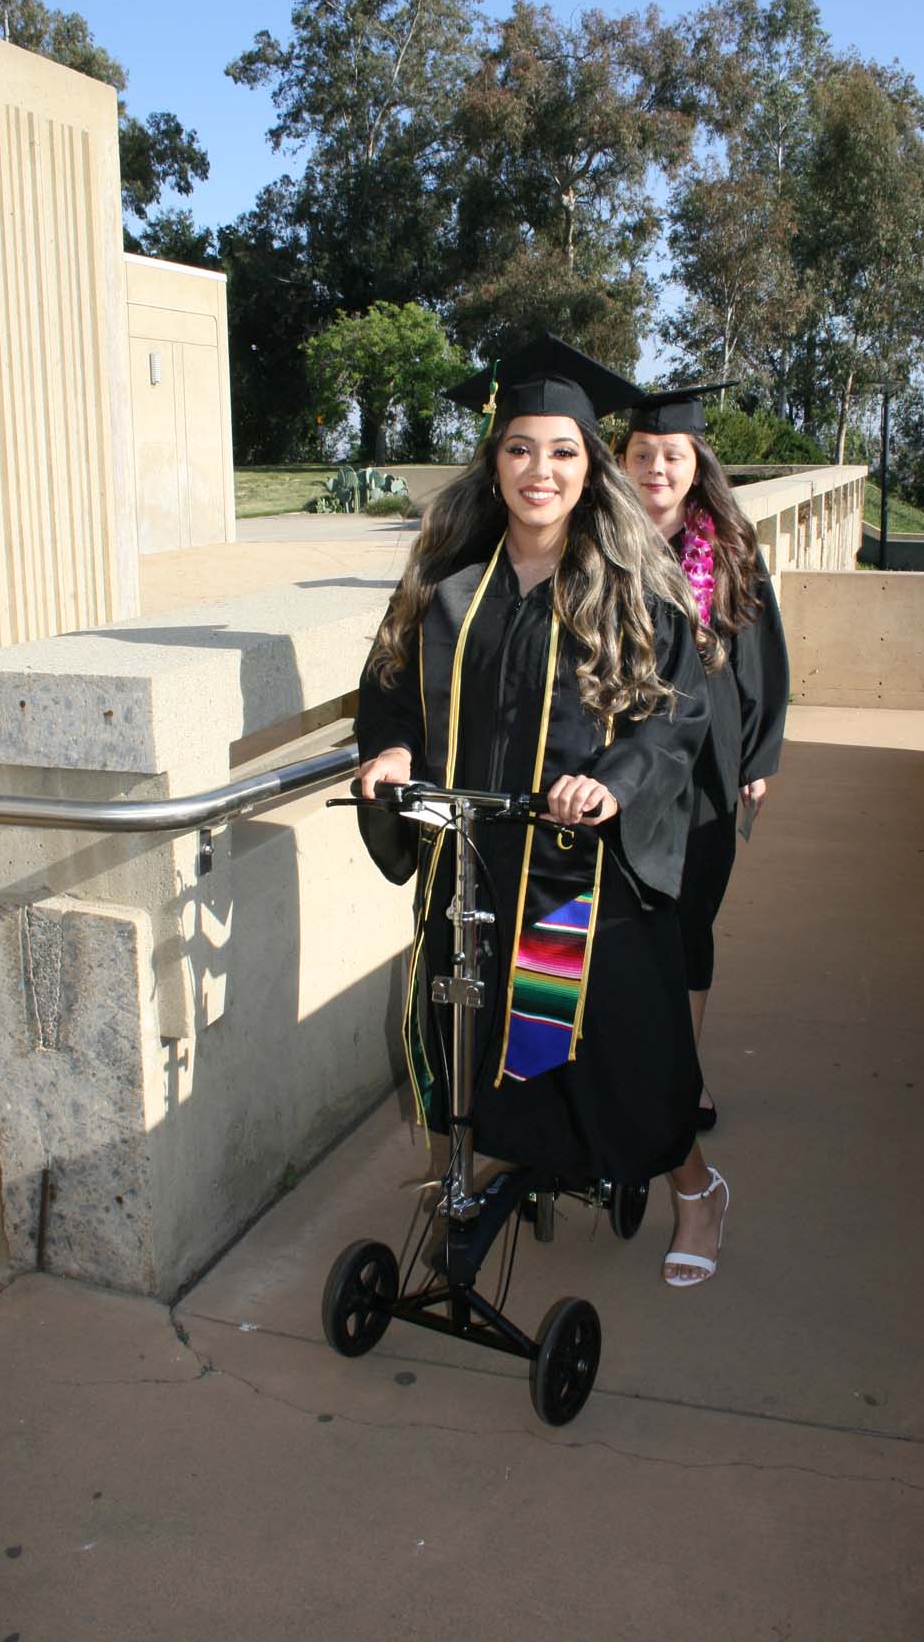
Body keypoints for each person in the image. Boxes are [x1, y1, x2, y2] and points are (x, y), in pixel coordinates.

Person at [356, 337, 731, 1287]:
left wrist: (615, 780)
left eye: (563, 451)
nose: (540, 470)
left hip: (581, 876)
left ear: (590, 465)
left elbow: (675, 715)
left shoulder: (631, 589)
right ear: (494, 461)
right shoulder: (446, 586)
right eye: (520, 448)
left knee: (622, 1056)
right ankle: (521, 1161)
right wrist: (391, 749)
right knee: (488, 1034)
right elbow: (389, 688)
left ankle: (696, 1187)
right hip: (477, 860)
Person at [620, 386, 790, 1132]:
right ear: (621, 461)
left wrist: (758, 756)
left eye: (672, 455)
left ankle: (681, 1078)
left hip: (709, 760)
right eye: (642, 454)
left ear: (697, 465)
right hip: (616, 753)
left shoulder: (728, 549)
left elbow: (762, 657)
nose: (656, 468)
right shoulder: (596, 541)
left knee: (689, 919)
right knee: (614, 918)